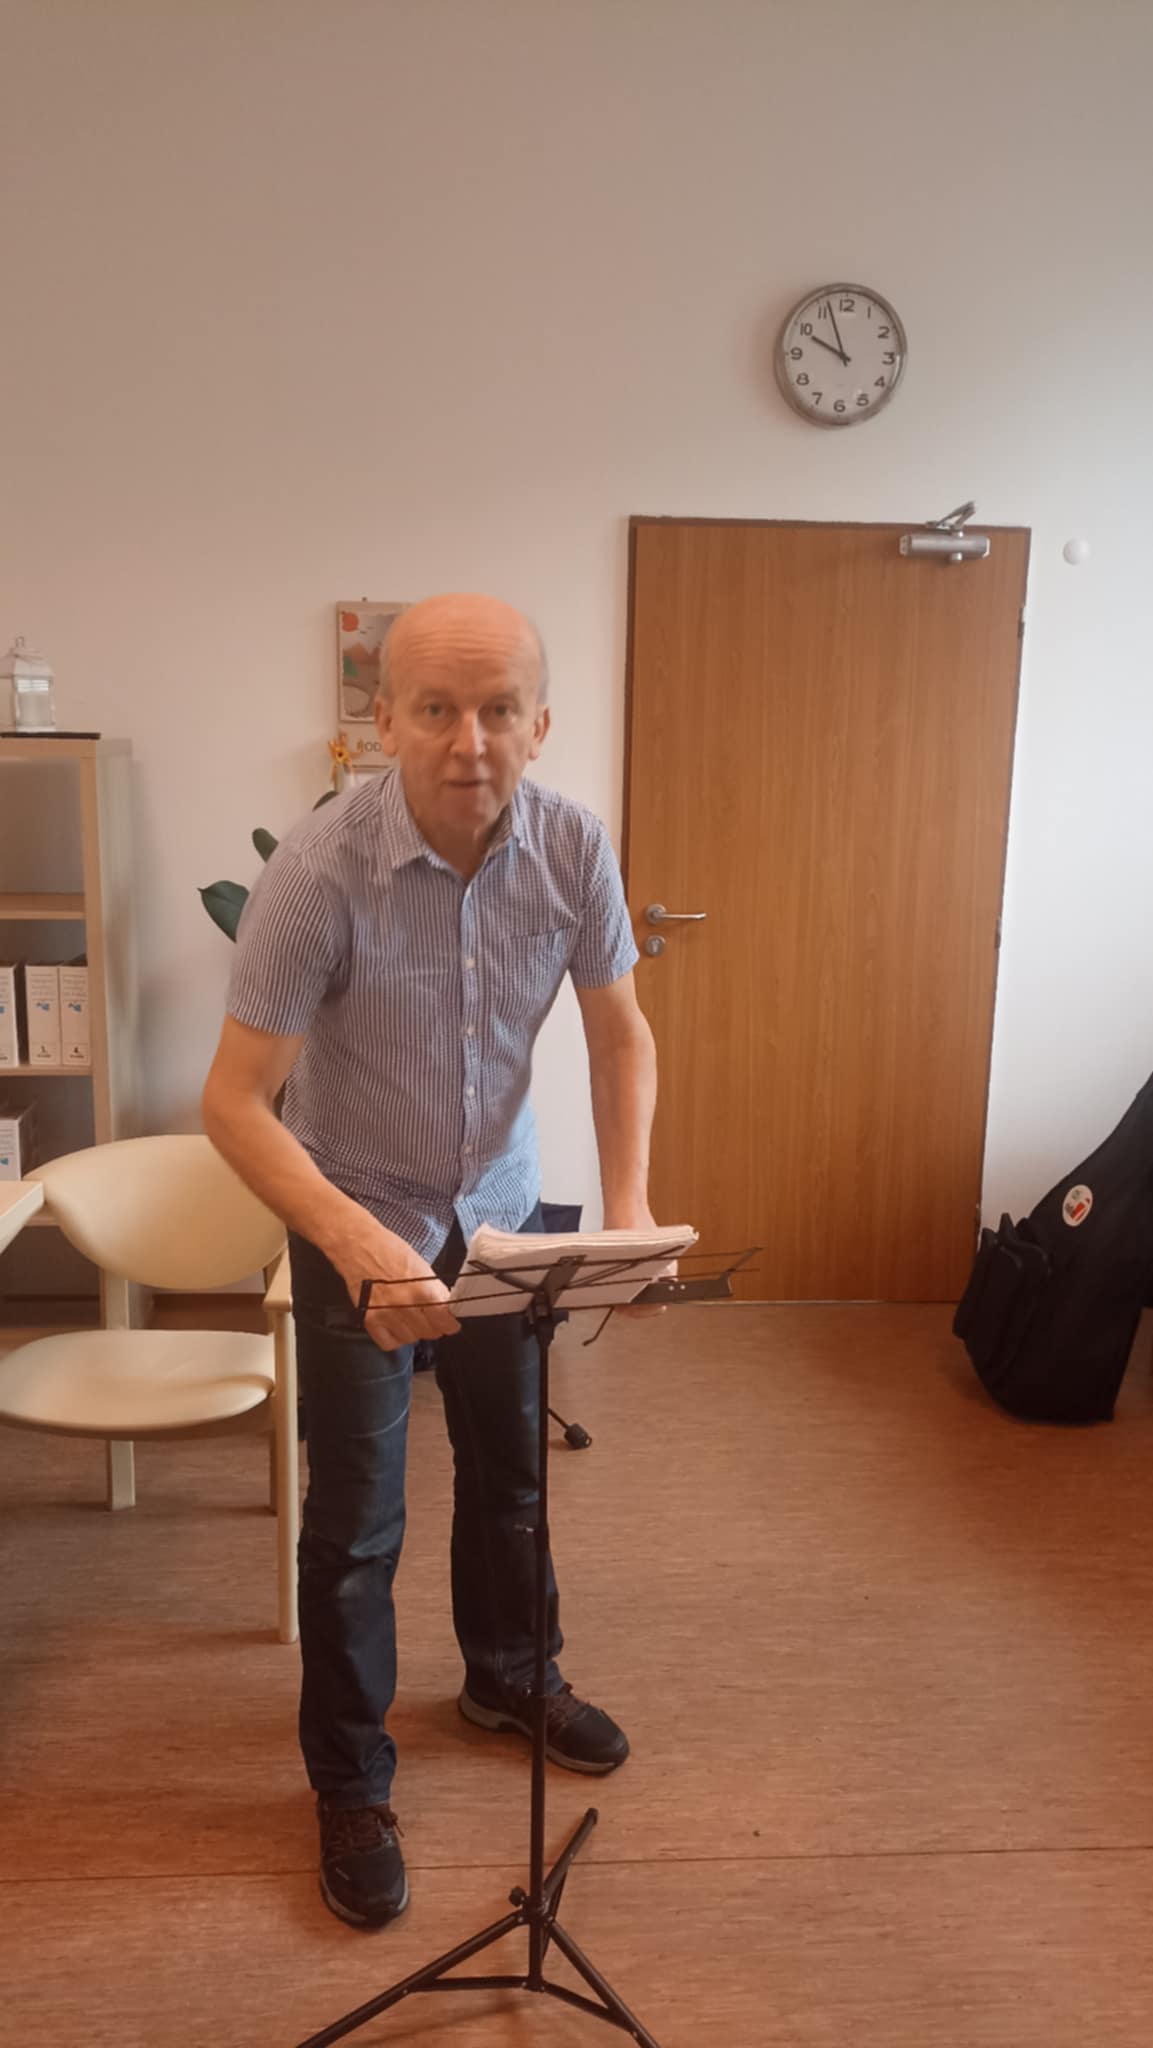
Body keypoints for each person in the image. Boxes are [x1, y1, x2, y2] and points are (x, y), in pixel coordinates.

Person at [201, 592, 661, 1929]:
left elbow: (619, 1035)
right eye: (438, 709)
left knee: (511, 1476)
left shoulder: (572, 847)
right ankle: (349, 1782)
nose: (470, 741)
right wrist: (357, 1246)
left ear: (540, 722)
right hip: (356, 1214)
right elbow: (234, 1103)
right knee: (358, 1523)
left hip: (501, 1212)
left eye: (499, 708)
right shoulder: (317, 872)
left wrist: (630, 1205)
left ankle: (509, 1675)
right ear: (384, 722)